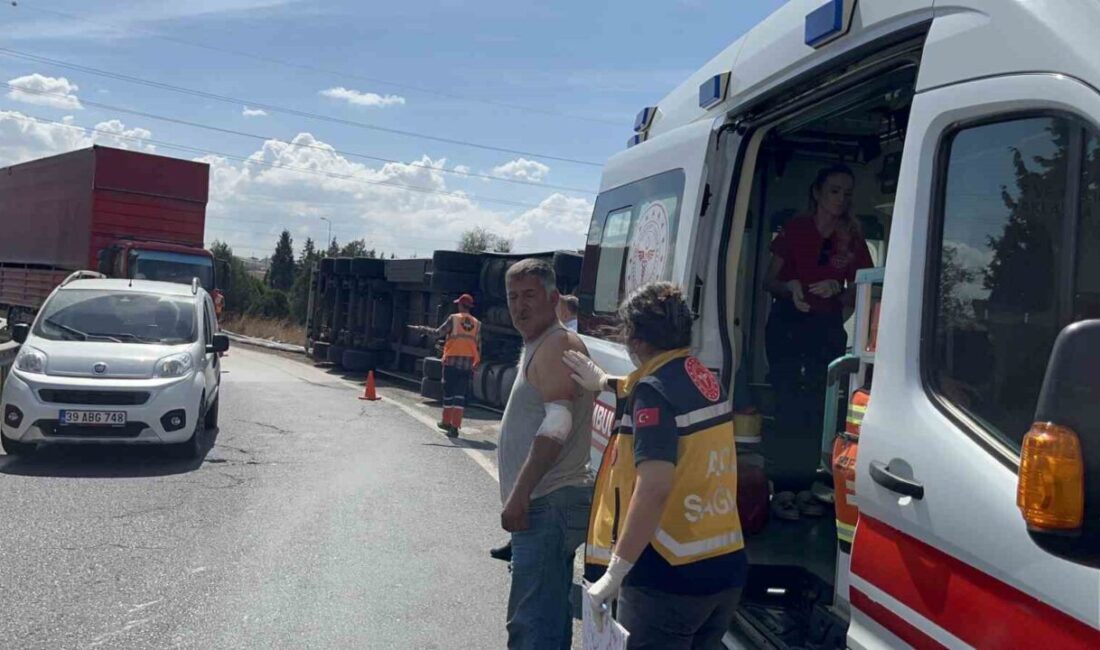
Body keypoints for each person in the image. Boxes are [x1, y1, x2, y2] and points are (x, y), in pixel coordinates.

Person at [565, 281, 746, 649]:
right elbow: (665, 395)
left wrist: (615, 573)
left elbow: (654, 488)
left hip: (668, 573)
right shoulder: (703, 377)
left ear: (635, 338)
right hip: (723, 566)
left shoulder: (653, 392)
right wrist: (604, 382)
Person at [498, 258, 594, 650]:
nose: (520, 306)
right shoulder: (542, 342)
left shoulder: (556, 344)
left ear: (554, 298)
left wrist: (520, 495)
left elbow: (557, 426)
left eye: (530, 295)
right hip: (546, 502)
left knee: (531, 625)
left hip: (546, 502)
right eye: (512, 297)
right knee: (546, 616)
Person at [763, 164, 873, 490]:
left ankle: (809, 483)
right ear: (817, 193)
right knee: (786, 401)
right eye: (834, 191)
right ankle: (782, 488)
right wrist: (792, 286)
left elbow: (863, 288)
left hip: (825, 326)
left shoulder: (851, 238)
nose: (840, 199)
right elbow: (770, 280)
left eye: (846, 193)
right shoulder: (796, 229)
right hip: (786, 321)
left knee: (818, 404)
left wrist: (838, 289)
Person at [435, 293, 481, 438]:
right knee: (460, 396)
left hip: (451, 363)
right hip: (467, 364)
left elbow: (439, 333)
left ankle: (446, 422)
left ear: (460, 305)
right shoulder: (477, 324)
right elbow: (478, 346)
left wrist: (424, 330)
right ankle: (455, 428)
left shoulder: (453, 319)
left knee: (449, 394)